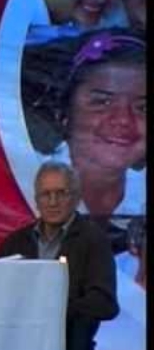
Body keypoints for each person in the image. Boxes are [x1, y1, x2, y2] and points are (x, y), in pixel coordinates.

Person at [0, 161, 119, 350]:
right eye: (46, 194)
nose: (52, 202)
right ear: (36, 199)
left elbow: (105, 303)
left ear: (75, 197)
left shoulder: (94, 241)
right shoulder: (15, 242)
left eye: (61, 193)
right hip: (15, 344)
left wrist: (55, 309)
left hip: (67, 346)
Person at [21, 27, 145, 252]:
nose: (123, 120)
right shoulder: (22, 177)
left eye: (143, 107)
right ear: (65, 112)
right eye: (102, 102)